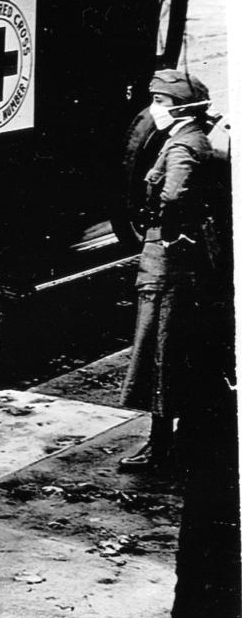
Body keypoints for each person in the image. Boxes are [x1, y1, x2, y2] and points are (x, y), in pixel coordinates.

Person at [119, 69, 221, 470]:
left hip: (168, 263)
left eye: (159, 102)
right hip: (180, 257)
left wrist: (166, 231)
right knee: (172, 347)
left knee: (160, 347)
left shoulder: (183, 146)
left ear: (179, 107)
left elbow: (174, 195)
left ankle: (161, 446)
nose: (153, 109)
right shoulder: (191, 138)